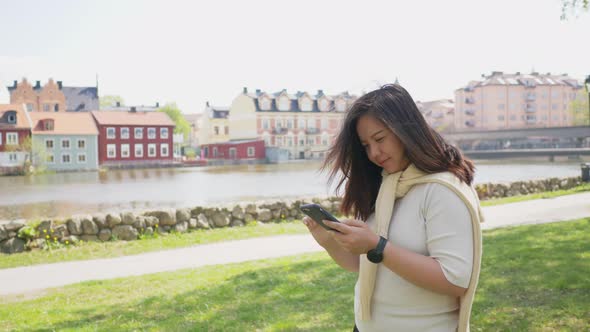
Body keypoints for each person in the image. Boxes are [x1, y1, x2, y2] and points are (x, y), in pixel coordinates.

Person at [302, 84, 483, 332]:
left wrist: (378, 246)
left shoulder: (442, 190)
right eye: (365, 145)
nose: (374, 153)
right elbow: (364, 264)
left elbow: (455, 280)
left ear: (406, 130)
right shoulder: (385, 184)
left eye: (379, 139)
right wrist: (329, 241)